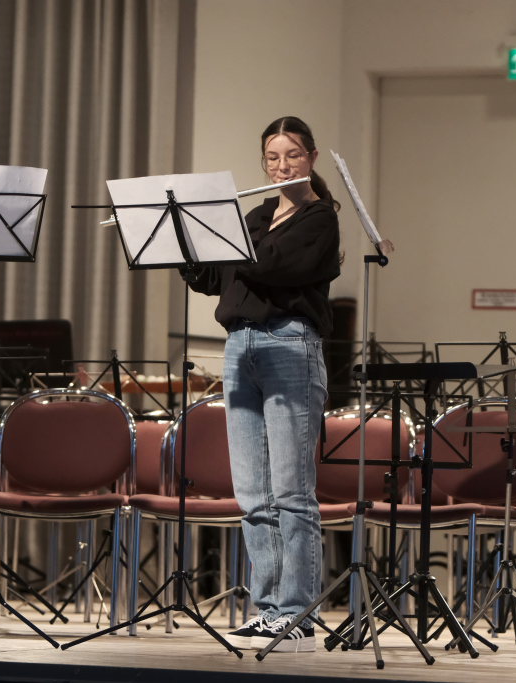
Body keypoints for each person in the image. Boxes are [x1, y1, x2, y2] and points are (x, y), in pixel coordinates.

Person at [187, 115, 340, 653]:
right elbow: (216, 279)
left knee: (292, 491)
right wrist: (188, 241)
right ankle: (269, 608)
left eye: (292, 155)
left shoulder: (320, 217)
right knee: (253, 493)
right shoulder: (253, 217)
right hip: (240, 346)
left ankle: (296, 613)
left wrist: (225, 237)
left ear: (311, 158)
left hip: (289, 345)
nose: (281, 166)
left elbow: (275, 267)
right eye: (272, 158)